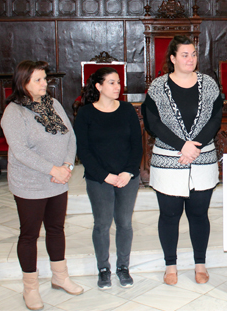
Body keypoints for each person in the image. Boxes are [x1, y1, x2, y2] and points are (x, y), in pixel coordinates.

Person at [1, 60, 83, 311]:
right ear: (23, 82)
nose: (44, 83)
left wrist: (67, 166)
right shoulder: (14, 112)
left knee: (56, 229)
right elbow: (21, 151)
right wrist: (53, 169)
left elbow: (71, 136)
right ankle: (31, 288)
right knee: (30, 234)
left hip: (58, 180)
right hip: (30, 183)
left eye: (45, 78)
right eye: (37, 79)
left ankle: (60, 277)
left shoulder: (53, 104)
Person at [141, 36, 223, 286]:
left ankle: (200, 264)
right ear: (173, 58)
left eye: (193, 54)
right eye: (185, 55)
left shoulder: (209, 84)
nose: (190, 59)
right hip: (169, 159)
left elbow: (216, 118)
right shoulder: (157, 86)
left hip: (202, 158)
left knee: (199, 214)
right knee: (169, 215)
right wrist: (182, 145)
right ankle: (171, 265)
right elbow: (152, 122)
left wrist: (194, 146)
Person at [74, 67, 143, 290]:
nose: (117, 87)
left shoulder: (127, 110)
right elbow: (83, 150)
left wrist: (128, 172)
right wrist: (105, 176)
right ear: (99, 86)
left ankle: (123, 267)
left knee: (124, 223)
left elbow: (137, 145)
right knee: (102, 224)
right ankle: (103, 269)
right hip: (99, 178)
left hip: (126, 177)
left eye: (118, 82)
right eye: (112, 82)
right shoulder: (85, 113)